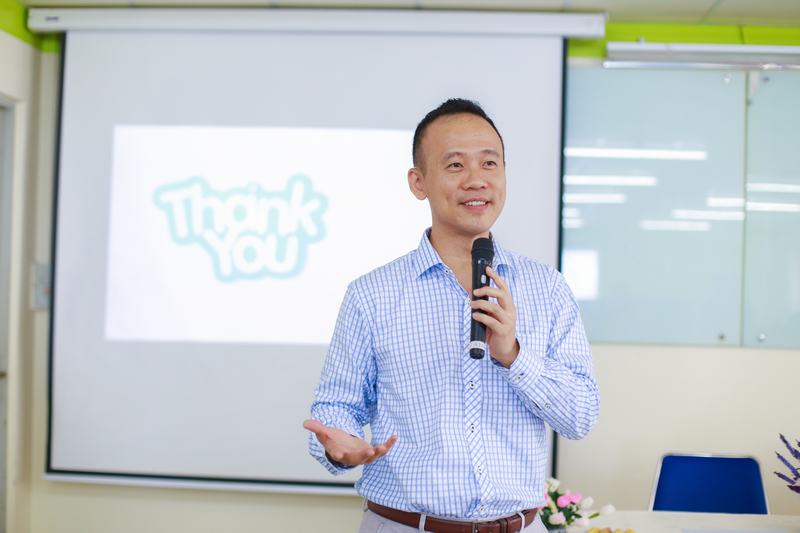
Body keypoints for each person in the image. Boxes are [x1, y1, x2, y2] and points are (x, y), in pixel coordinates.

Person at [304, 98, 599, 533]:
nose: (476, 180)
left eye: (489, 163)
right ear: (418, 182)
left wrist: (514, 355)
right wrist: (339, 446)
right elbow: (335, 408)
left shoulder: (547, 288)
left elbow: (580, 416)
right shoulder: (373, 295)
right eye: (456, 165)